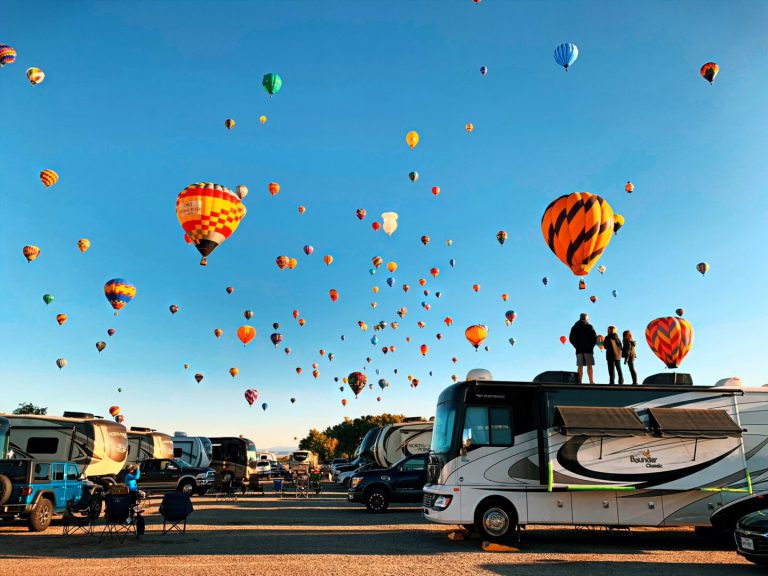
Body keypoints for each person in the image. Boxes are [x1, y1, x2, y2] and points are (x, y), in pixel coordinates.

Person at [569, 313, 597, 384]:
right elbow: (595, 338)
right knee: (589, 365)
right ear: (586, 318)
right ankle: (591, 381)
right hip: (588, 349)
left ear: (580, 318)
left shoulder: (575, 327)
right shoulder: (589, 326)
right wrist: (591, 346)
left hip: (579, 349)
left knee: (580, 366)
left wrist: (576, 346)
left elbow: (571, 338)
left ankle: (579, 382)